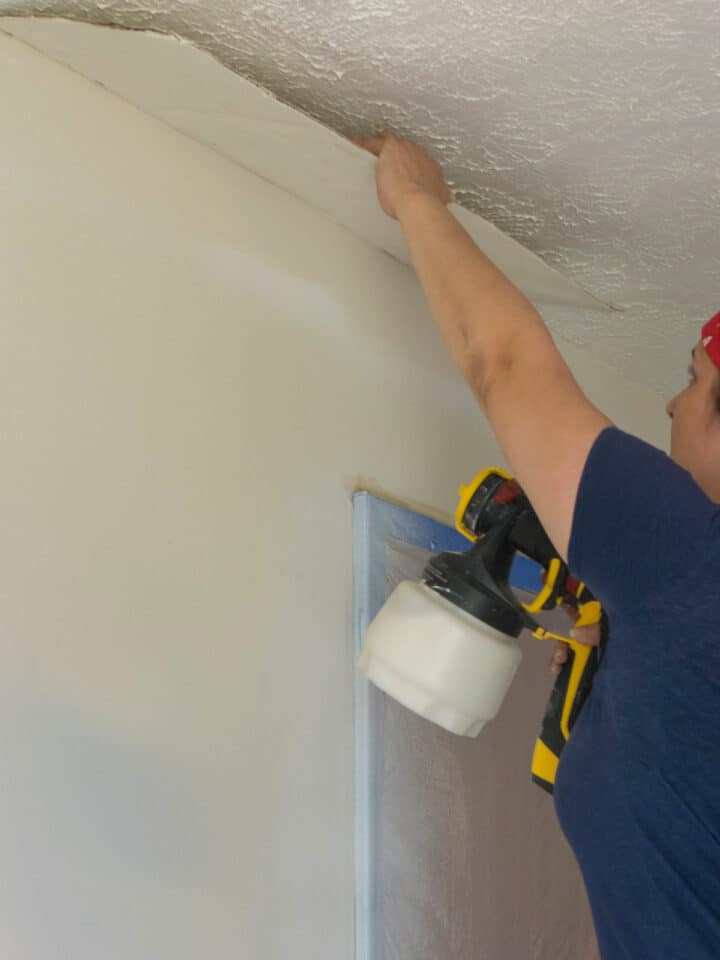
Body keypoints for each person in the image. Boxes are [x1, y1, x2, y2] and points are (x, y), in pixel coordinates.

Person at [355, 130, 720, 959]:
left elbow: (508, 366)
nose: (669, 406)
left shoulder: (693, 561)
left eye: (695, 384)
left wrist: (417, 199)